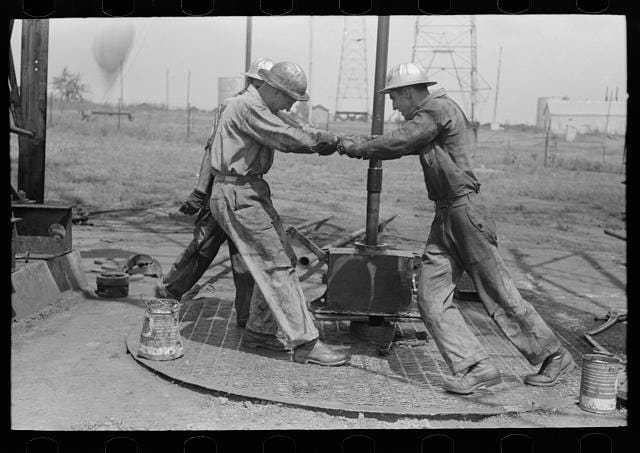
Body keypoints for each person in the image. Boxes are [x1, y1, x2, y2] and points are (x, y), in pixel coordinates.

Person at [338, 62, 575, 393]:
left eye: (394, 97)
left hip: (465, 212)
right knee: (431, 297)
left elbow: (400, 141)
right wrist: (361, 142)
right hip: (445, 216)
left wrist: (359, 146)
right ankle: (475, 365)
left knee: (497, 292)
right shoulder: (429, 115)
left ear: (408, 92)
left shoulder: (436, 108)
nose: (393, 105)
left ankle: (554, 356)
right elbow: (403, 139)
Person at [208, 61, 350, 366]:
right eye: (288, 97)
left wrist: (334, 137)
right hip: (237, 192)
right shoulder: (247, 107)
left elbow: (295, 125)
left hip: (250, 190)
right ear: (271, 88)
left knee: (281, 260)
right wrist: (327, 143)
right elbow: (287, 137)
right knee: (275, 265)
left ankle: (259, 332)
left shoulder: (264, 105)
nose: (290, 105)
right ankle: (306, 343)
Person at [155, 58, 275, 329]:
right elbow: (212, 150)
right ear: (257, 83)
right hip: (222, 189)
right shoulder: (234, 107)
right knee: (202, 247)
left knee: (247, 258)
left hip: (250, 191)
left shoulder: (266, 112)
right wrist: (200, 190)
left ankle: (246, 316)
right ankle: (168, 294)